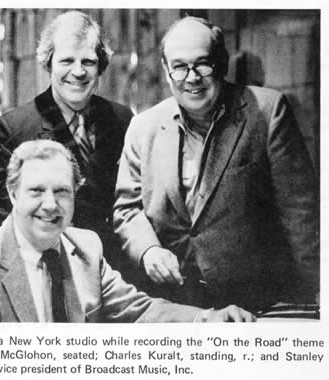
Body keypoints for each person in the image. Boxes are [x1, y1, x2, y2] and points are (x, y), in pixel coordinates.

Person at [113, 16, 319, 313]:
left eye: (203, 64)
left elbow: (300, 212)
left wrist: (315, 289)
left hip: (257, 304)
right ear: (166, 70)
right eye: (180, 67)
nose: (192, 77)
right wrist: (148, 250)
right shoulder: (143, 128)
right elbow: (126, 208)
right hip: (177, 307)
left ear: (221, 63)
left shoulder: (268, 112)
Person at [0, 140, 255, 322]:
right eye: (36, 191)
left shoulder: (86, 248)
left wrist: (208, 319)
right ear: (13, 194)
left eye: (62, 191)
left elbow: (140, 311)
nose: (51, 205)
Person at [0, 10, 132, 270]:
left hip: (111, 267)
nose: (78, 72)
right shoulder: (15, 127)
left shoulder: (122, 119)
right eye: (66, 61)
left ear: (101, 66)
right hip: (44, 264)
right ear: (48, 63)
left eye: (88, 61)